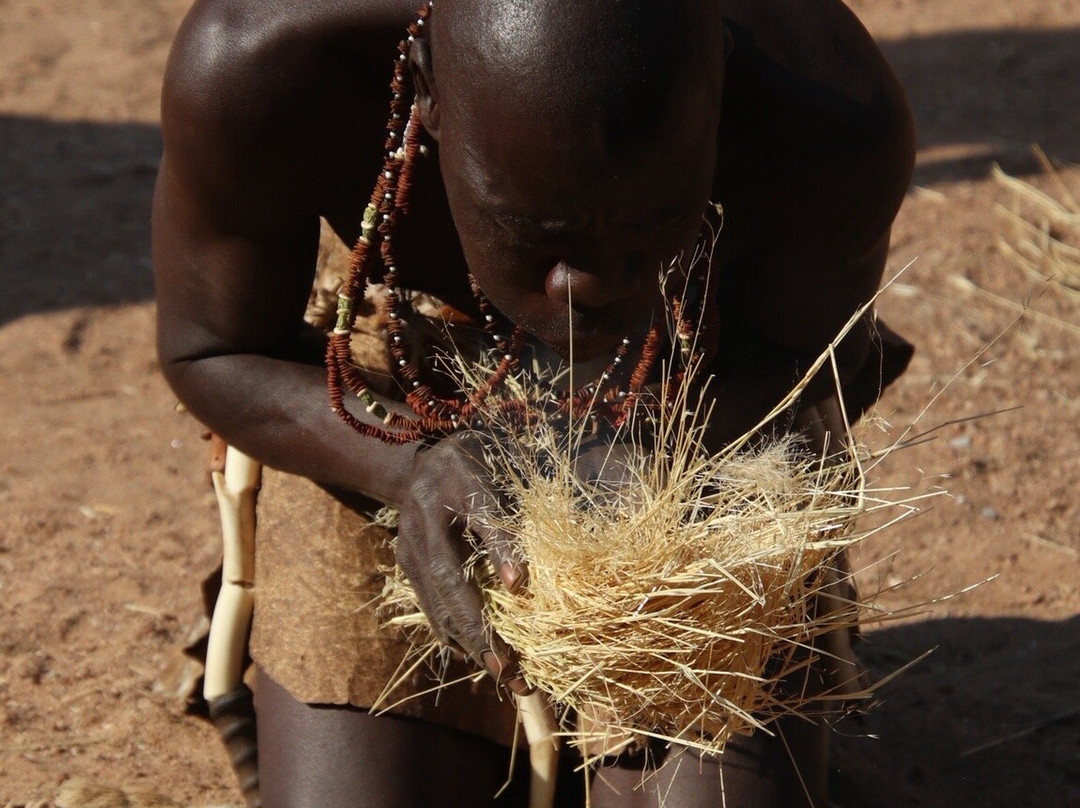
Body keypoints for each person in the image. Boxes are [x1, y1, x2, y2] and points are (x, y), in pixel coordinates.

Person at [153, 0, 915, 805]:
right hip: (402, 389)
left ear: (717, 95)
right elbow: (211, 349)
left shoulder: (832, 108)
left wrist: (673, 454)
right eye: (528, 231)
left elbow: (821, 360)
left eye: (647, 221)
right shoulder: (262, 61)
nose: (582, 287)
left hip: (696, 410)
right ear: (426, 92)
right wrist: (408, 465)